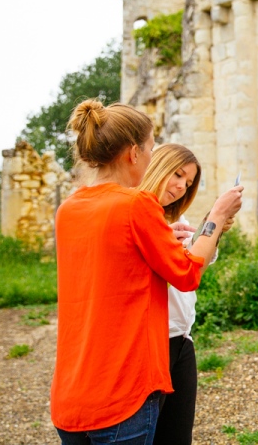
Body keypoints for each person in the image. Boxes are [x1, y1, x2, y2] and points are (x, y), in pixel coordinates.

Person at [51, 100, 243, 444]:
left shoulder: (69, 208)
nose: (154, 156)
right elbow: (187, 274)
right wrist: (216, 215)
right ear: (133, 153)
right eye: (152, 148)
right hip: (123, 394)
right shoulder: (136, 206)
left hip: (73, 392)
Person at [138, 143, 232, 445]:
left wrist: (210, 231)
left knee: (177, 437)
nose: (181, 187)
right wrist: (213, 222)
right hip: (149, 343)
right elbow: (181, 275)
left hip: (181, 340)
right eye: (177, 175)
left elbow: (192, 268)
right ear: (157, 166)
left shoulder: (164, 221)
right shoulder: (137, 215)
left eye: (188, 183)